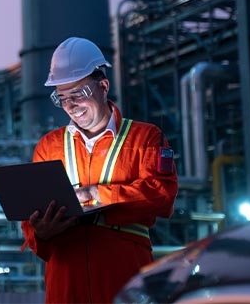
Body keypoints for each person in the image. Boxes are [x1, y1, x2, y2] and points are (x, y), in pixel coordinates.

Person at [20, 36, 178, 304]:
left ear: (103, 86)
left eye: (78, 94)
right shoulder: (49, 147)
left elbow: (161, 195)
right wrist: (40, 232)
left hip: (123, 278)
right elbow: (31, 225)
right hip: (66, 285)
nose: (70, 106)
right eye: (62, 98)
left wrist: (98, 195)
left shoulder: (145, 138)